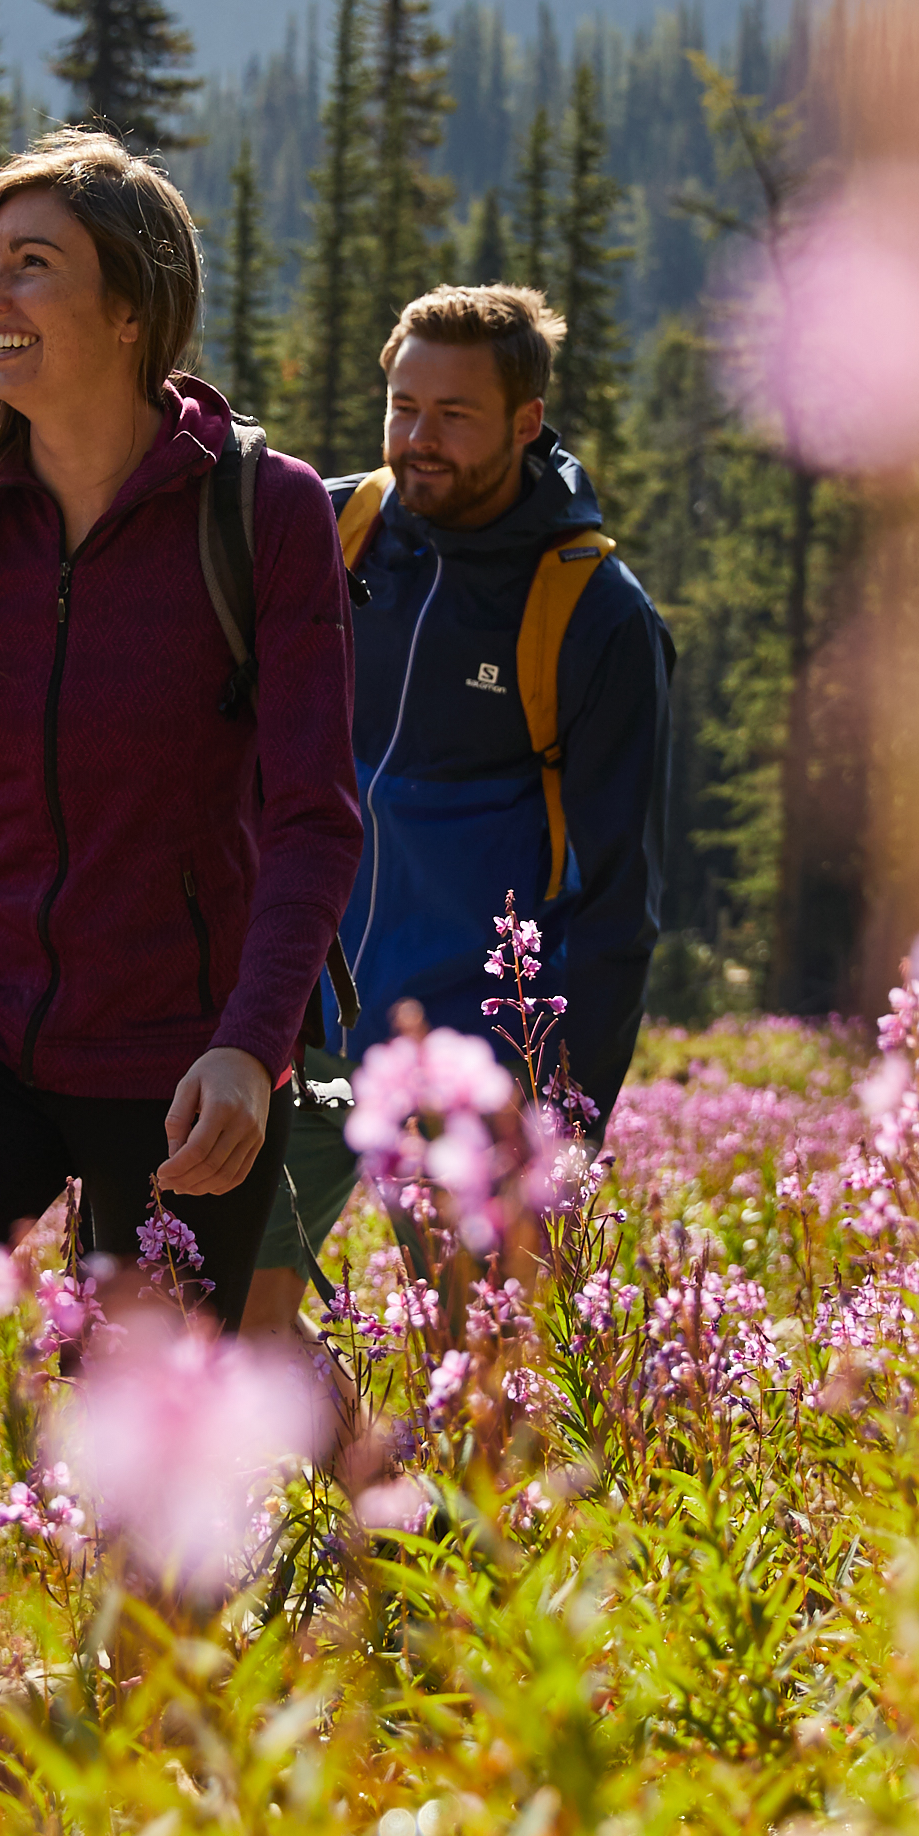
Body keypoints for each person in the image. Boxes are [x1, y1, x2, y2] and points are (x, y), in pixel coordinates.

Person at [0, 130, 360, 1441]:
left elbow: (313, 817)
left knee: (159, 1466)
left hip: (181, 1069)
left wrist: (249, 1046)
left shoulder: (260, 514)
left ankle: (355, 1571)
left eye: (33, 265)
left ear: (129, 308)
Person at [242, 282, 669, 1339]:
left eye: (453, 415)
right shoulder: (325, 530)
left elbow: (618, 902)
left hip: (469, 1057)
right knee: (229, 1316)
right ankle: (354, 1487)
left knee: (482, 1361)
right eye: (401, 406)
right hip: (297, 1018)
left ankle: (453, 1511)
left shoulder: (597, 616)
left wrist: (569, 1123)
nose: (415, 440)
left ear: (527, 423)